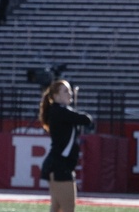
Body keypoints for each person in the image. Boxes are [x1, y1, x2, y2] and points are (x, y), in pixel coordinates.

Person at [39, 79, 93, 212]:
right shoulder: (59, 111)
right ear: (56, 96)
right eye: (65, 91)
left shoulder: (61, 111)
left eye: (69, 90)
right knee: (68, 208)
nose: (70, 94)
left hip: (59, 166)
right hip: (60, 166)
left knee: (57, 208)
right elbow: (86, 119)